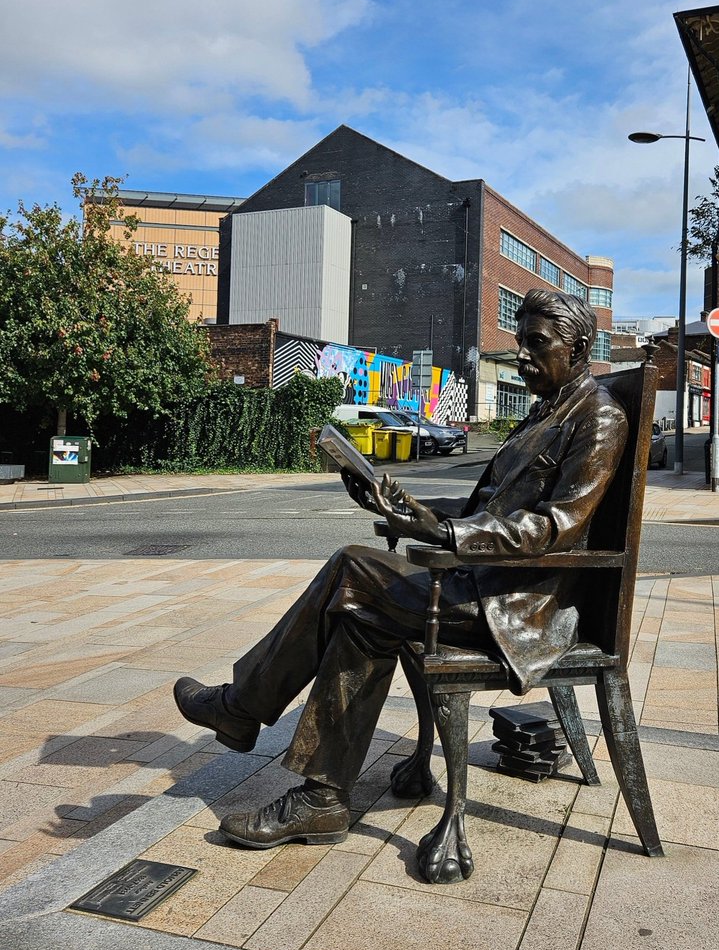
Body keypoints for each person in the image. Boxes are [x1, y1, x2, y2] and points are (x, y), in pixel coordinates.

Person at [173, 288, 628, 850]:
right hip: (481, 581)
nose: (524, 357)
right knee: (362, 617)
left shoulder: (598, 417)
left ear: (579, 347)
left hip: (518, 602)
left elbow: (557, 526)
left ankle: (241, 709)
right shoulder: (544, 411)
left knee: (351, 567)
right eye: (520, 343)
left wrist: (446, 534)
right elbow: (480, 512)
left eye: (538, 344)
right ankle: (321, 800)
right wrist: (407, 511)